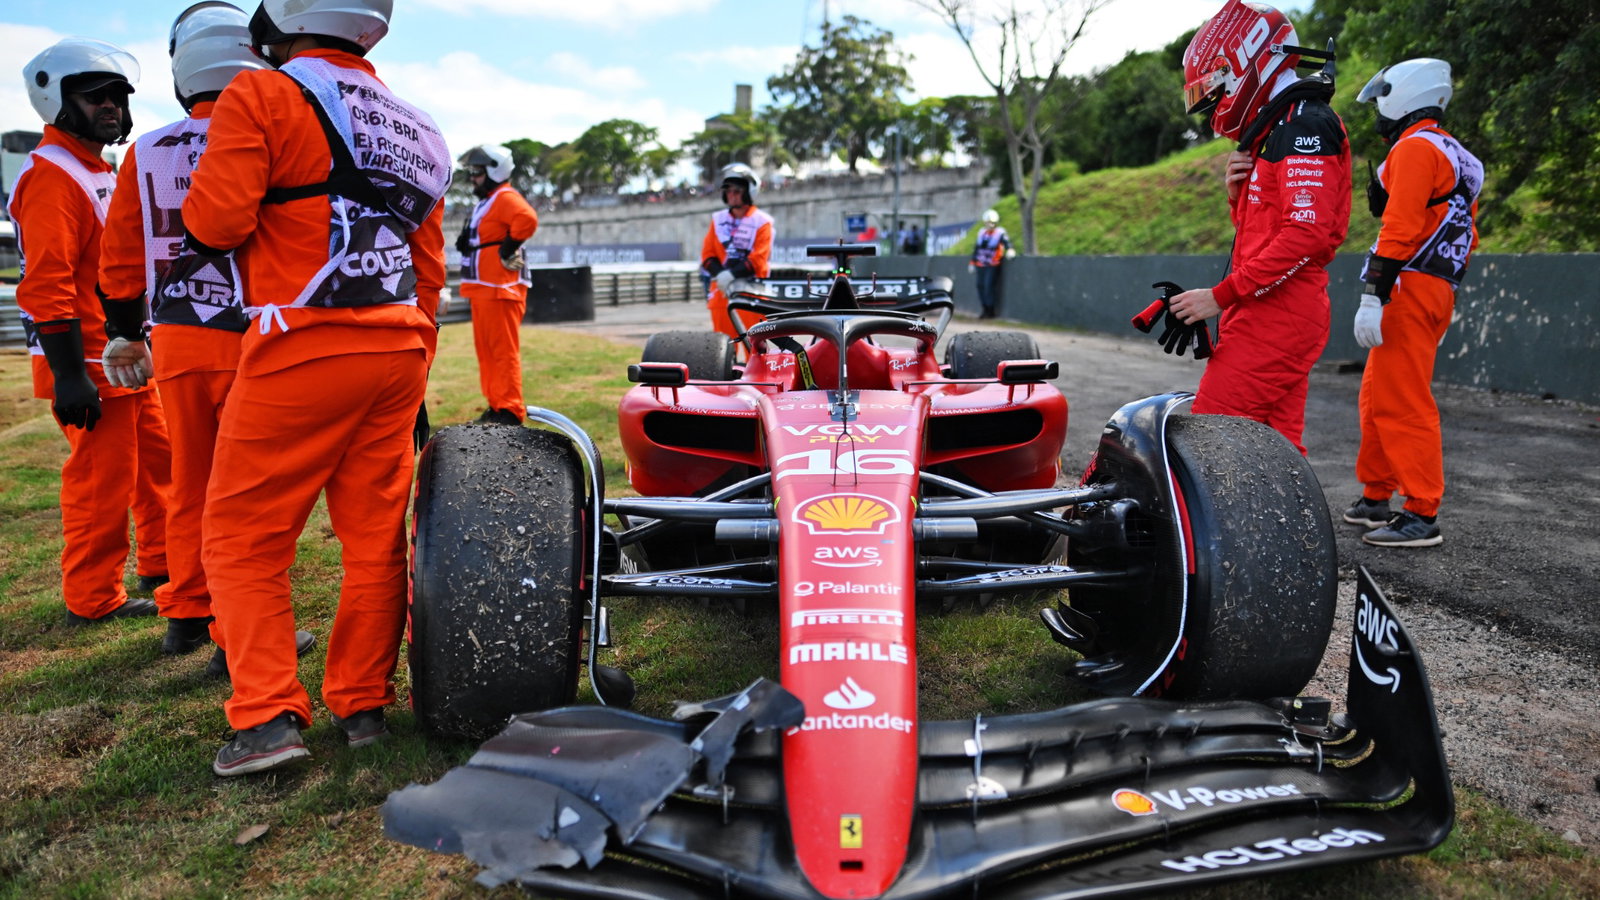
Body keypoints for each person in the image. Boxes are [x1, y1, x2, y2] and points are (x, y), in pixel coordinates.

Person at [179, 0, 450, 775]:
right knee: (373, 539)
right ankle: (362, 705)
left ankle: (267, 718)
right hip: (398, 345)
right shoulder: (417, 125)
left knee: (242, 538)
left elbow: (216, 224)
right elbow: (428, 267)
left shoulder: (261, 93)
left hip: (300, 342)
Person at [99, 1, 270, 659]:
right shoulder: (271, 132)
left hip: (177, 334)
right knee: (248, 489)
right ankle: (237, 628)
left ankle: (188, 611)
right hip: (254, 332)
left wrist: (125, 331)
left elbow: (120, 260)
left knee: (191, 478)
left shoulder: (144, 150)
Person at [12, 38, 173, 624]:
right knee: (102, 482)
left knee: (160, 465)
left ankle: (163, 562)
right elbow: (47, 281)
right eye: (93, 96)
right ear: (56, 101)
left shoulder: (97, 169)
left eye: (117, 96)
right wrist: (67, 374)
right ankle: (93, 597)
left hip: (125, 355)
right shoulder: (53, 176)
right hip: (86, 362)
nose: (110, 105)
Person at [1168, 0, 1350, 456]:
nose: (1214, 108)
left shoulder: (1304, 124)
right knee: (1275, 454)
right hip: (1272, 308)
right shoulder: (1281, 125)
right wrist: (1238, 196)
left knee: (1213, 445)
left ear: (1245, 64)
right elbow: (1269, 234)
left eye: (1215, 93)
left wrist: (1220, 295)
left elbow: (1306, 236)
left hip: (1277, 315)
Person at [1343, 58, 1481, 548]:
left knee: (1402, 401)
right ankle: (1376, 496)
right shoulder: (1456, 154)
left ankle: (1422, 512)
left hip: (1409, 285)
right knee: (1377, 396)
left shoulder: (1416, 148)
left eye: (1381, 100)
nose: (1378, 111)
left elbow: (1399, 228)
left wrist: (1374, 294)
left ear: (1404, 95)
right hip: (1434, 286)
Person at [455, 144, 537, 425]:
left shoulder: (505, 197)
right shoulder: (488, 201)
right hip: (483, 286)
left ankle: (510, 410)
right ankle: (497, 404)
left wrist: (507, 248)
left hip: (500, 288)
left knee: (502, 352)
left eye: (478, 173)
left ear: (494, 171)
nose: (473, 178)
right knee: (487, 351)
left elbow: (527, 219)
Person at [700, 162, 773, 341]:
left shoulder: (762, 222)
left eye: (737, 191)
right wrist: (721, 275)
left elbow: (758, 259)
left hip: (753, 293)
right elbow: (707, 256)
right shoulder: (717, 220)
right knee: (722, 346)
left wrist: (731, 275)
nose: (731, 195)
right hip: (722, 292)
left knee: (756, 345)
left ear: (749, 192)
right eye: (728, 191)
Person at [969, 209, 1012, 319]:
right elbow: (976, 249)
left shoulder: (1000, 233)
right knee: (980, 286)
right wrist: (972, 262)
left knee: (988, 286)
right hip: (980, 264)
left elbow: (1007, 243)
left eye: (992, 223)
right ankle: (984, 309)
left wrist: (1010, 249)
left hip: (992, 264)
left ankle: (990, 310)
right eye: (988, 223)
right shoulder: (981, 233)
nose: (990, 225)